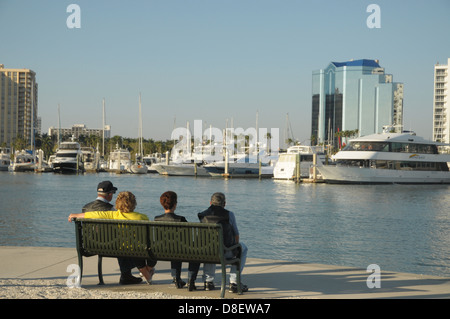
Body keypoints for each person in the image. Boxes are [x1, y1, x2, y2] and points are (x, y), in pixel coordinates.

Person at [68, 191, 156, 285]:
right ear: (134, 204)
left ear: (117, 203)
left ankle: (144, 274)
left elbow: (93, 214)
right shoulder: (142, 217)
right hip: (137, 251)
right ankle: (147, 271)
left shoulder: (113, 215)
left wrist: (76, 215)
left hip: (117, 249)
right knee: (147, 253)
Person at [198, 192, 248, 293]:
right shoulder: (229, 214)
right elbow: (236, 234)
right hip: (225, 251)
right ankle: (234, 282)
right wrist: (235, 247)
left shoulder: (202, 215)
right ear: (224, 203)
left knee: (210, 246)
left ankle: (208, 281)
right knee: (243, 248)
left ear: (210, 202)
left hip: (208, 251)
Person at [154, 191, 200, 291]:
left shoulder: (156, 219)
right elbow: (188, 238)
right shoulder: (181, 219)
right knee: (193, 250)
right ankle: (191, 280)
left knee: (174, 248)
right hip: (180, 250)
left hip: (162, 251)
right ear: (175, 204)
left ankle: (176, 278)